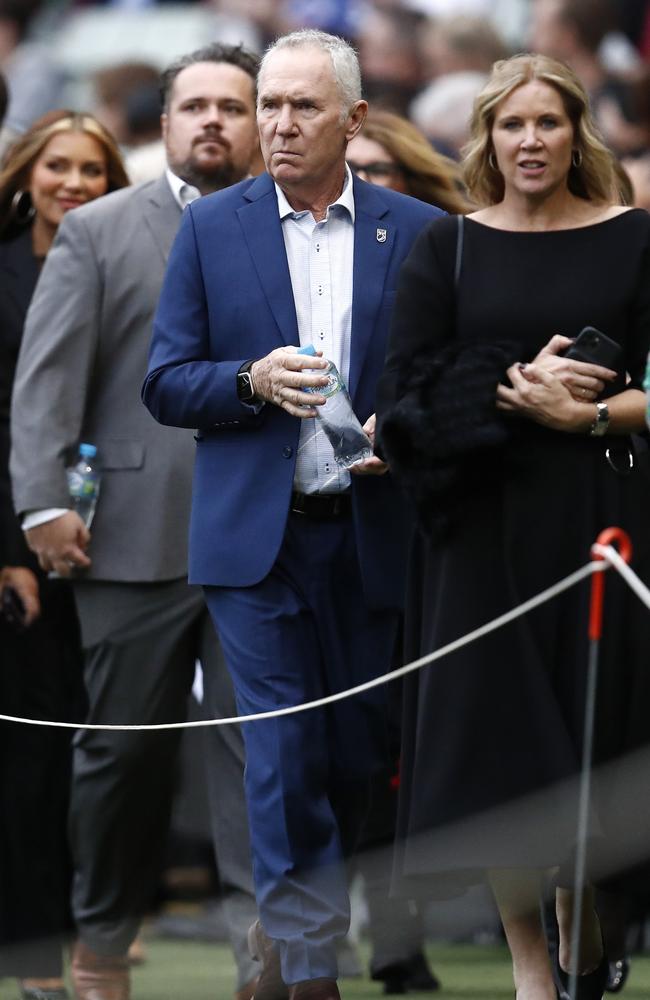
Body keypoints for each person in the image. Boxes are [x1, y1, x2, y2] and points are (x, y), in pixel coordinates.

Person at [143, 27, 441, 1000]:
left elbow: (442, 382)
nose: (275, 123)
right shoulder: (211, 227)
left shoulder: (419, 230)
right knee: (277, 753)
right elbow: (166, 381)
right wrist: (248, 378)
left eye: (300, 106)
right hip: (253, 544)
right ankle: (307, 967)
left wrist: (408, 432)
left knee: (356, 756)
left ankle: (304, 925)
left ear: (354, 119)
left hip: (373, 531)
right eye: (267, 102)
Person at [376, 52, 650, 1000]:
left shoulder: (636, 238)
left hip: (603, 523)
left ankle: (584, 938)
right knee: (498, 750)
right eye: (512, 125)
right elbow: (401, 396)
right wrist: (509, 387)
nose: (530, 140)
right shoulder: (447, 248)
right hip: (479, 532)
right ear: (486, 137)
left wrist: (589, 415)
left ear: (577, 132)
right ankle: (534, 974)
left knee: (598, 741)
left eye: (547, 123)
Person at [10, 43, 262, 1000]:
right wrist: (42, 505)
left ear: (260, 121)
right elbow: (48, 383)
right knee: (119, 752)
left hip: (265, 529)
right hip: (127, 531)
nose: (212, 121)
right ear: (164, 125)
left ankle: (262, 959)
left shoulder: (296, 229)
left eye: (231, 106)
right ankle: (102, 945)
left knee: (260, 750)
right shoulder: (101, 229)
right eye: (193, 105)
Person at [0, 107, 128, 1000]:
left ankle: (83, 947)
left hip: (118, 544)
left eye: (92, 168)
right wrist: (10, 549)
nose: (74, 182)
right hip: (19, 561)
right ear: (26, 173)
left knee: (100, 762)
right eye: (58, 165)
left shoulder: (131, 261)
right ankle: (36, 958)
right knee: (28, 767)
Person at [347, 108, 471, 213]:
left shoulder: (437, 232)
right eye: (349, 168)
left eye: (379, 171)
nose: (361, 179)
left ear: (409, 181)